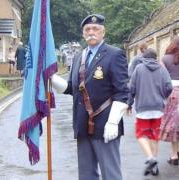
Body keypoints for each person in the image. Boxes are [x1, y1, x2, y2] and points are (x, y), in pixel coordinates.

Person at [51, 14, 129, 180]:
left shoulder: (115, 54)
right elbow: (72, 88)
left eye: (95, 28)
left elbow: (123, 92)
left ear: (103, 32)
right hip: (82, 124)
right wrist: (51, 78)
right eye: (87, 29)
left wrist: (113, 122)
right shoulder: (80, 56)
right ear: (83, 33)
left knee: (111, 174)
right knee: (86, 175)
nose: (91, 32)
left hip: (105, 124)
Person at [127, 48, 172, 176]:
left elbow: (132, 88)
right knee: (154, 136)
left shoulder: (139, 69)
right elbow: (168, 86)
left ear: (143, 57)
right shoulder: (162, 69)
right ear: (156, 57)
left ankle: (150, 158)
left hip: (143, 107)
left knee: (141, 135)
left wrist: (129, 104)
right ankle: (154, 166)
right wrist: (162, 96)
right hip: (158, 108)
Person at [159, 36, 179, 166]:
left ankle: (174, 155)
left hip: (173, 94)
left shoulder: (165, 59)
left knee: (173, 126)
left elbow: (162, 80)